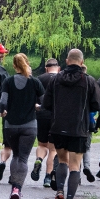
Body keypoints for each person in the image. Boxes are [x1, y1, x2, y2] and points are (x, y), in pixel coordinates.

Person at [41, 48, 100, 199]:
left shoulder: (56, 80)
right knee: (75, 166)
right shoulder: (88, 81)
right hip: (79, 129)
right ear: (81, 63)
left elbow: (46, 103)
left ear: (67, 61)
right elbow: (97, 104)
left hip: (58, 127)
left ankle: (59, 190)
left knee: (62, 162)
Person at [0, 53, 45, 199]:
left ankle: (13, 185)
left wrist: (3, 111)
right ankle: (17, 189)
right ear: (27, 63)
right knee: (24, 158)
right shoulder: (35, 82)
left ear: (14, 66)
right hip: (29, 125)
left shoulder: (8, 81)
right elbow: (44, 103)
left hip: (11, 125)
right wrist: (37, 107)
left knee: (15, 156)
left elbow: (2, 101)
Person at [32, 58, 60, 188]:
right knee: (53, 149)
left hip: (42, 115)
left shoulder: (39, 79)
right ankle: (48, 177)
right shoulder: (61, 79)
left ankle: (39, 159)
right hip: (56, 116)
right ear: (58, 68)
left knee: (42, 144)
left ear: (46, 68)